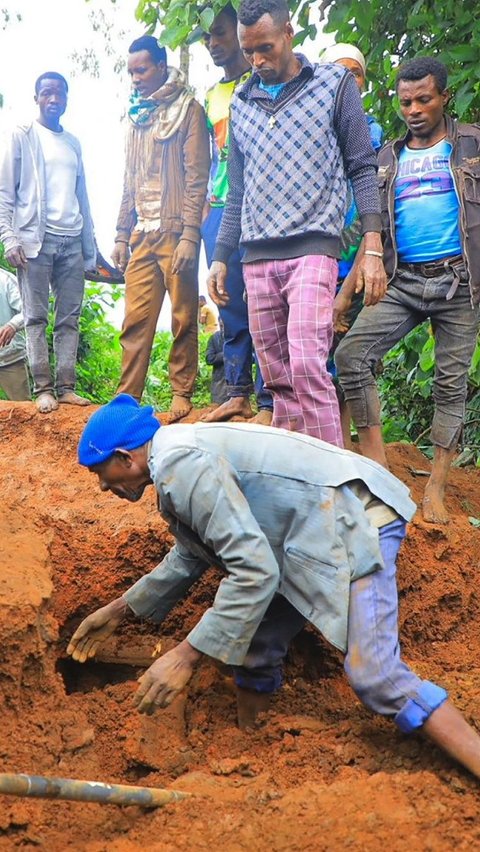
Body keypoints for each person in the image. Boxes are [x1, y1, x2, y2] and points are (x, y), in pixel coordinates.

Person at [68, 395, 480, 780]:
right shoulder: (173, 459)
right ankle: (250, 751)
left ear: (125, 457)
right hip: (305, 533)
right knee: (254, 646)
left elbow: (254, 571)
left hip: (357, 519)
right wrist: (119, 610)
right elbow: (192, 554)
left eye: (99, 474)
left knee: (374, 674)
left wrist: (185, 656)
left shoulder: (181, 465)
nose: (102, 486)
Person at [207, 0, 386, 446]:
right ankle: (295, 483)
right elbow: (238, 193)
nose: (258, 61)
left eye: (265, 48)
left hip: (314, 249)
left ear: (289, 32)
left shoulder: (333, 84)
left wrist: (373, 246)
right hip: (257, 258)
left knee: (308, 364)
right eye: (249, 52)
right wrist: (221, 258)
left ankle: (335, 484)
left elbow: (362, 167)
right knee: (277, 381)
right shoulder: (243, 101)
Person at [335, 57, 480, 524]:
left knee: (450, 385)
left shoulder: (473, 144)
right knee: (351, 357)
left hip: (460, 282)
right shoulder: (388, 156)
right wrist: (346, 292)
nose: (414, 109)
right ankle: (375, 463)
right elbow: (372, 229)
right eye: (405, 102)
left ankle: (437, 484)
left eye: (423, 99)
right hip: (404, 279)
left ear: (443, 97)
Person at [111, 35, 210, 421]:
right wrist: (121, 234)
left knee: (184, 315)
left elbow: (196, 176)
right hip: (142, 235)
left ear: (160, 65)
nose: (136, 78)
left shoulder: (188, 110)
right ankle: (125, 399)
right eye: (131, 71)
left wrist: (190, 235)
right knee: (135, 320)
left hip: (175, 231)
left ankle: (182, 392)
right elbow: (129, 179)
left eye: (142, 69)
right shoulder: (137, 116)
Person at [0, 72, 96, 414]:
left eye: (59, 93)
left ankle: (67, 388)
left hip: (72, 239)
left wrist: (90, 249)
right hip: (34, 242)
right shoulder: (22, 136)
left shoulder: (72, 143)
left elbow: (82, 196)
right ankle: (43, 388)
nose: (53, 99)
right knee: (35, 317)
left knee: (69, 318)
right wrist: (8, 236)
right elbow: (5, 193)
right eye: (47, 93)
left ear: (67, 98)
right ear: (37, 98)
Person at [200, 3, 273, 426]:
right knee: (227, 304)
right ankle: (237, 393)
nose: (214, 43)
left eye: (221, 33)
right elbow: (214, 157)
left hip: (258, 207)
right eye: (210, 37)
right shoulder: (212, 95)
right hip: (222, 209)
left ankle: (268, 399)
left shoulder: (261, 81)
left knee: (262, 299)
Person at [321, 43, 383, 448]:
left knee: (355, 358)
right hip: (319, 256)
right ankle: (331, 441)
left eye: (354, 73)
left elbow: (372, 199)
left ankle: (352, 442)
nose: (347, 79)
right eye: (338, 71)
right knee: (319, 354)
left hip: (358, 258)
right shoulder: (315, 127)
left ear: (364, 80)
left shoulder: (375, 134)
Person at [0, 268, 30, 400]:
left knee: (22, 408)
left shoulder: (5, 280)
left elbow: (29, 308)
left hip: (9, 358)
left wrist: (13, 325)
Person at [205, 321, 229, 404]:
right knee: (218, 407)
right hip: (219, 383)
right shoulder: (214, 338)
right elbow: (209, 359)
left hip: (237, 383)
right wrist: (228, 353)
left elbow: (253, 357)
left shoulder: (241, 337)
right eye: (221, 325)